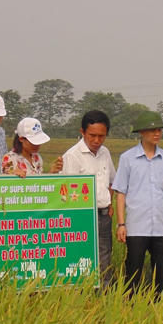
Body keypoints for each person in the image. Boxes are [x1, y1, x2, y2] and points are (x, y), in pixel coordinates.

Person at [113, 111, 163, 295]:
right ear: (142, 132)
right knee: (133, 273)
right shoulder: (127, 158)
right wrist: (121, 224)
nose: (157, 134)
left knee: (162, 275)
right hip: (137, 226)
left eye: (159, 130)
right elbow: (120, 192)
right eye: (152, 130)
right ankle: (130, 309)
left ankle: (159, 310)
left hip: (162, 226)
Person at [60, 110, 117, 287]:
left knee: (104, 256)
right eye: (92, 135)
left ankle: (104, 296)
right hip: (82, 216)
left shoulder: (105, 153)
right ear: (82, 132)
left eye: (102, 136)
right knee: (80, 257)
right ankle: (80, 294)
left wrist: (110, 202)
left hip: (104, 214)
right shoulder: (72, 155)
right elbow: (67, 192)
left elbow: (111, 181)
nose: (97, 141)